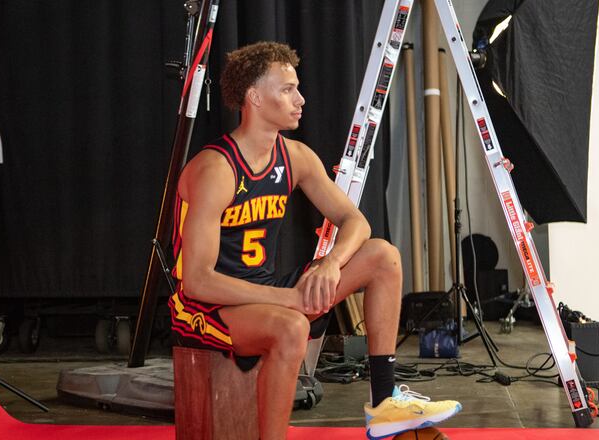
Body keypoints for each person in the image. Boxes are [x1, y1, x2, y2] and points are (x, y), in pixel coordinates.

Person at [168, 41, 461, 440]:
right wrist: (291, 299)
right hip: (208, 308)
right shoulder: (216, 169)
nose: (300, 99)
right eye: (287, 89)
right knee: (291, 326)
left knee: (383, 257)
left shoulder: (295, 156)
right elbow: (197, 282)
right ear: (254, 97)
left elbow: (354, 219)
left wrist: (331, 263)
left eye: (298, 87)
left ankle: (385, 405)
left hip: (266, 293)